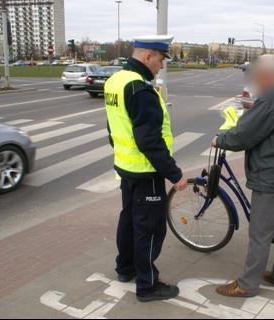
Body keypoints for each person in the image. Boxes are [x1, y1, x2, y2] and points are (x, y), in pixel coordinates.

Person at [212, 55, 274, 297]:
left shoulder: (272, 98)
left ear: (267, 76)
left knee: (260, 233)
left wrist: (221, 140)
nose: (255, 83)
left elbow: (245, 134)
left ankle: (247, 284)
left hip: (271, 176)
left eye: (257, 78)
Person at [104, 35, 188, 303]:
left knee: (128, 220)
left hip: (126, 168)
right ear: (148, 56)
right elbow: (149, 140)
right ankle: (148, 286)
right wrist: (174, 174)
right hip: (146, 172)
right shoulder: (140, 89)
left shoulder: (115, 81)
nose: (161, 66)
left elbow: (112, 127)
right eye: (161, 59)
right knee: (149, 229)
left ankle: (125, 268)